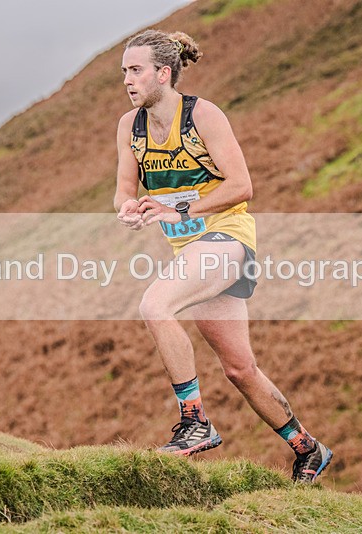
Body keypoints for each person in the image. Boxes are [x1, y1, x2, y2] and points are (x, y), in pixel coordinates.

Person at [113, 29, 333, 483]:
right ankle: (308, 449)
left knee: (155, 305)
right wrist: (130, 211)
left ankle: (195, 423)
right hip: (193, 250)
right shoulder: (129, 127)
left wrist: (177, 208)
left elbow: (241, 186)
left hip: (227, 241)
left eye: (136, 71)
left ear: (163, 73)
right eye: (124, 72)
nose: (128, 81)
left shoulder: (202, 115)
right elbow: (123, 191)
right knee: (239, 368)